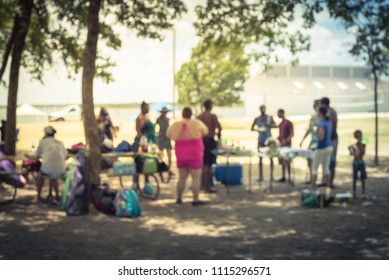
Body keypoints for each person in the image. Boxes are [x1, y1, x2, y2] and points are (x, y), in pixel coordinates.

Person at [167, 107, 209, 206]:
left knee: (182, 177)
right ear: (191, 114)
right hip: (195, 153)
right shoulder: (196, 123)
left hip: (180, 154)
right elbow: (205, 131)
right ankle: (195, 200)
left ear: (182, 114)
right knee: (196, 178)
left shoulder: (175, 124)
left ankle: (179, 198)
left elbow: (168, 134)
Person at [33, 126, 67, 203]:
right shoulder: (60, 143)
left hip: (48, 170)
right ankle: (57, 196)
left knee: (40, 176)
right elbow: (65, 155)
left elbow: (36, 156)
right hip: (61, 170)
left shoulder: (42, 142)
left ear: (46, 134)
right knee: (53, 176)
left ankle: (38, 196)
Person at [197, 99, 222, 193]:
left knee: (202, 164)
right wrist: (219, 138)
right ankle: (206, 186)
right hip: (210, 141)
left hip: (200, 141)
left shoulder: (199, 117)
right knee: (209, 165)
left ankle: (202, 185)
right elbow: (218, 128)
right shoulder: (212, 116)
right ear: (210, 106)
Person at [251, 105, 276, 181]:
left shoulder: (269, 117)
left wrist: (269, 125)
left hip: (269, 140)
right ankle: (261, 176)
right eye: (261, 109)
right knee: (260, 158)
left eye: (264, 109)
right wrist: (257, 130)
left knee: (271, 158)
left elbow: (275, 125)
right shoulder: (257, 119)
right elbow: (251, 128)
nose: (263, 110)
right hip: (260, 140)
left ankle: (272, 176)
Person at [311, 106, 333, 192]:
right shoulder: (328, 121)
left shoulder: (322, 123)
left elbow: (320, 137)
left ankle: (313, 189)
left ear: (320, 113)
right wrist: (316, 124)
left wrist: (314, 132)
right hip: (329, 147)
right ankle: (328, 189)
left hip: (321, 148)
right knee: (326, 169)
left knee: (314, 169)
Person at [300, 100, 320, 183]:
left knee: (315, 161)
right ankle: (312, 178)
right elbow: (309, 129)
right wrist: (302, 140)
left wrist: (316, 125)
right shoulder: (313, 116)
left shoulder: (323, 117)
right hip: (313, 141)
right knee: (309, 160)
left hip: (319, 142)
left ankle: (314, 180)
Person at [320, 97, 338, 188]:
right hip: (327, 139)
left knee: (331, 161)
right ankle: (325, 181)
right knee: (325, 160)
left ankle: (330, 182)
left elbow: (333, 126)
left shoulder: (330, 112)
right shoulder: (328, 111)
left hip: (332, 139)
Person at [277, 109, 294, 184]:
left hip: (287, 145)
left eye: (279, 113)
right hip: (281, 145)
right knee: (282, 161)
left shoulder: (288, 122)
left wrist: (286, 140)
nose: (278, 115)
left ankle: (289, 177)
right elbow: (280, 134)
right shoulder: (281, 124)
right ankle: (284, 176)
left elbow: (291, 134)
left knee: (287, 161)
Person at [350, 130, 367, 199]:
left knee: (363, 178)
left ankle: (363, 193)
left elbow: (363, 153)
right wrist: (352, 150)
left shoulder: (363, 145)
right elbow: (352, 154)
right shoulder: (353, 146)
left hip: (361, 162)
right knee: (355, 178)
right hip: (356, 162)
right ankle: (354, 193)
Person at [155, 107, 173, 171]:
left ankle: (169, 169)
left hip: (167, 138)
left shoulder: (168, 119)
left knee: (169, 154)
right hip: (161, 138)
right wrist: (157, 133)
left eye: (165, 112)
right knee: (160, 154)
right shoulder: (158, 119)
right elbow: (154, 126)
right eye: (164, 112)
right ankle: (161, 168)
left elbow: (170, 128)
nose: (164, 113)